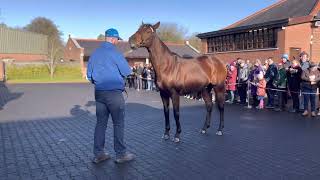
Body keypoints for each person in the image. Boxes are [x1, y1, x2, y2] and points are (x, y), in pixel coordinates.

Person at [87, 28, 135, 164]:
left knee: (100, 124)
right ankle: (121, 154)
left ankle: (99, 154)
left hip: (99, 93)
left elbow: (89, 76)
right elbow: (127, 72)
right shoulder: (115, 53)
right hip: (114, 93)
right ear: (113, 39)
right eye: (117, 40)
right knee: (118, 123)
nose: (117, 42)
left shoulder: (95, 53)